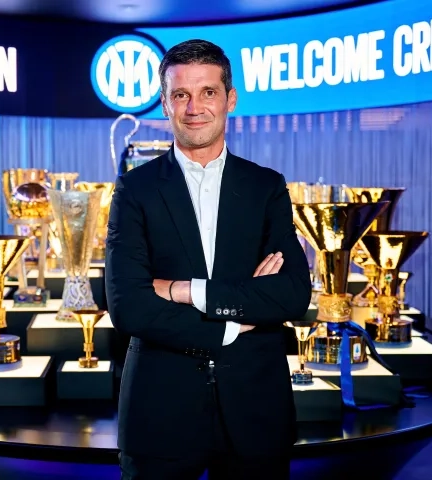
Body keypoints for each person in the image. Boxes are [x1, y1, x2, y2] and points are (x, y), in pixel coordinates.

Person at [105, 39, 312, 479]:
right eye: (181, 94)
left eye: (208, 92)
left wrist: (184, 290)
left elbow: (292, 295)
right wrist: (233, 323)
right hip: (160, 411)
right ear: (165, 104)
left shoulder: (266, 187)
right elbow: (129, 307)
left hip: (256, 411)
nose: (194, 107)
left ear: (230, 99)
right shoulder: (134, 190)